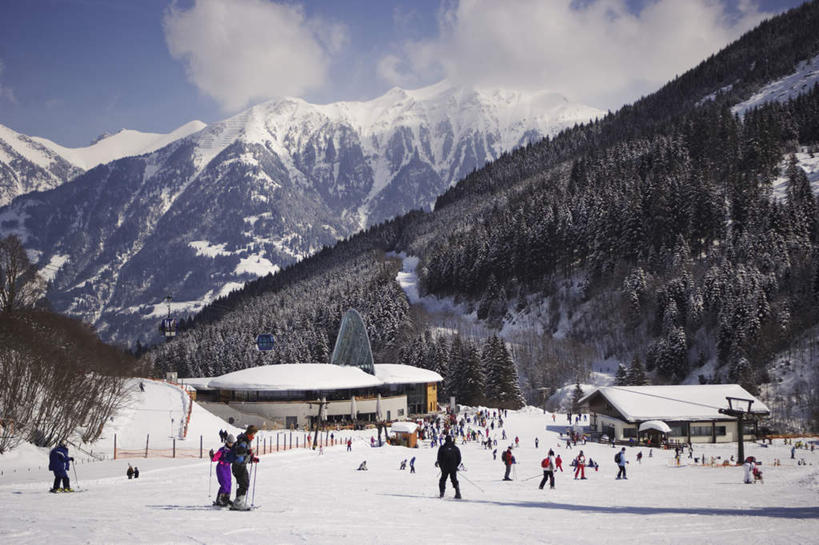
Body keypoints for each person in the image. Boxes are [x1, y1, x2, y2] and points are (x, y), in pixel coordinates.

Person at [230, 425, 259, 510]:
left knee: (244, 483)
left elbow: (243, 454)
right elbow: (239, 452)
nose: (254, 436)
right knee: (244, 483)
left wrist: (252, 458)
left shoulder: (246, 440)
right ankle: (238, 503)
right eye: (254, 434)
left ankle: (238, 502)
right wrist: (249, 451)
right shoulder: (244, 441)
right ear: (250, 432)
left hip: (240, 465)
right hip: (238, 465)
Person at [211, 434, 235, 506]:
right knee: (224, 483)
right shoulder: (222, 449)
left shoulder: (233, 450)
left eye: (232, 443)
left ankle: (226, 499)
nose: (230, 444)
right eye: (229, 442)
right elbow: (215, 458)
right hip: (221, 467)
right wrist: (212, 456)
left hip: (227, 467)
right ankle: (220, 499)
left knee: (229, 484)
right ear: (226, 442)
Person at [437, 434, 462, 499]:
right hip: (453, 467)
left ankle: (442, 493)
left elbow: (439, 458)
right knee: (454, 479)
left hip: (445, 467)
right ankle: (458, 493)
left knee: (443, 479)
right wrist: (455, 465)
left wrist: (441, 466)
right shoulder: (455, 448)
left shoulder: (442, 448)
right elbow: (459, 458)